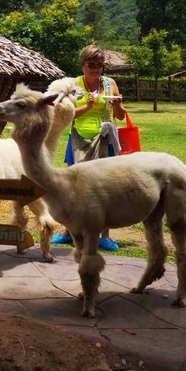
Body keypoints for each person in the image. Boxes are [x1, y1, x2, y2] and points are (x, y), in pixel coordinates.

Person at [50, 45, 127, 251]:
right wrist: (88, 106)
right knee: (72, 188)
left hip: (103, 139)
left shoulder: (109, 84)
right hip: (77, 139)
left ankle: (105, 235)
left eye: (99, 65)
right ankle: (68, 232)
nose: (95, 69)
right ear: (82, 65)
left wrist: (118, 105)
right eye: (90, 65)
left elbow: (120, 116)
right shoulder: (73, 85)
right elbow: (66, 115)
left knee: (105, 188)